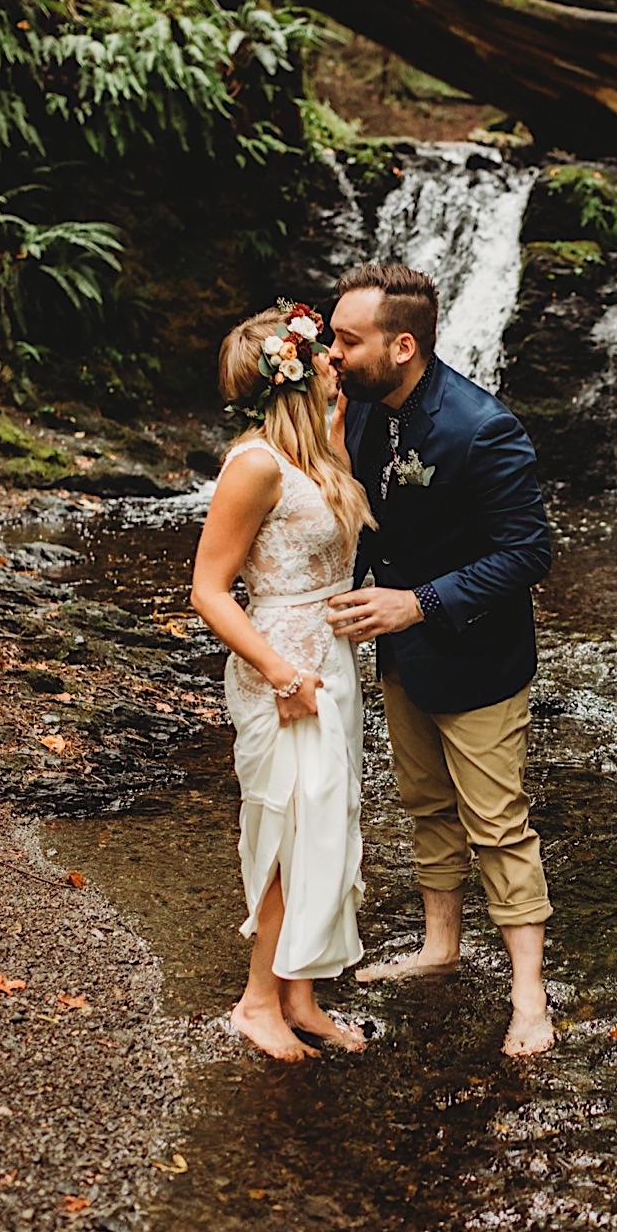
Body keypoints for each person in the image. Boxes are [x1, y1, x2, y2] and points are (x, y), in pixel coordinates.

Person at [325, 261, 555, 1058]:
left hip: (480, 656)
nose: (331, 354)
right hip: (400, 653)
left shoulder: (482, 426)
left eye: (346, 341)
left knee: (497, 824)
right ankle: (440, 944)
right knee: (425, 804)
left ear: (402, 345)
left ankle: (530, 996)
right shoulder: (359, 412)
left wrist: (418, 603)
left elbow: (529, 553)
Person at [190, 303, 375, 1061]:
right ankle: (256, 1002)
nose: (337, 359)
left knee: (329, 824)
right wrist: (278, 672)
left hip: (330, 663)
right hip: (282, 671)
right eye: (322, 352)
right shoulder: (256, 465)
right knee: (288, 831)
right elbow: (207, 590)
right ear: (291, 373)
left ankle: (300, 992)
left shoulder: (318, 452)